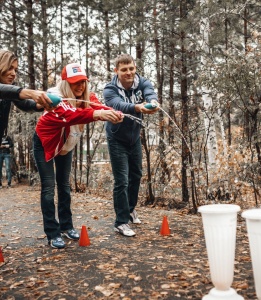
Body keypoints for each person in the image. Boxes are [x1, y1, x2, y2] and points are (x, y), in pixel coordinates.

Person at [33, 62, 123, 249]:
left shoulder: (86, 97)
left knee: (64, 185)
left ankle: (66, 226)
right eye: (75, 83)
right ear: (66, 83)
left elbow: (97, 106)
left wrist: (114, 113)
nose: (80, 86)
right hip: (46, 144)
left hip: (66, 144)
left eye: (83, 81)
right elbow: (72, 115)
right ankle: (52, 233)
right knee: (49, 188)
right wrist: (99, 114)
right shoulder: (54, 98)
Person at [103, 53, 159, 237]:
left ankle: (130, 209)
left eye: (131, 69)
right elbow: (118, 105)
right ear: (116, 70)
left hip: (134, 138)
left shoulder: (142, 82)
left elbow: (150, 93)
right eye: (124, 69)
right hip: (116, 139)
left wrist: (152, 103)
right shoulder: (109, 89)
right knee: (122, 181)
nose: (129, 73)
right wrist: (137, 107)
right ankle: (120, 222)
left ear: (135, 68)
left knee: (136, 175)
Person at [0, 49, 53, 142]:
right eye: (9, 68)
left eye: (15, 70)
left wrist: (41, 104)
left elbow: (24, 104)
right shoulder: (7, 90)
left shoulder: (9, 88)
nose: (13, 74)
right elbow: (5, 90)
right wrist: (30, 93)